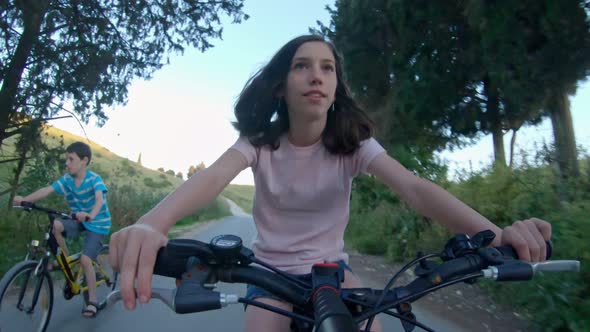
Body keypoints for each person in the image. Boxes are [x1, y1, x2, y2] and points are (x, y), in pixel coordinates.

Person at [109, 35, 551, 332]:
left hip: (332, 273)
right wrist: (152, 223)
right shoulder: (259, 142)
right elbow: (212, 177)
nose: (316, 75)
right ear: (281, 86)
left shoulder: (353, 144)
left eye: (327, 67)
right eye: (302, 66)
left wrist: (493, 235)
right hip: (268, 274)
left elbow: (415, 188)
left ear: (336, 87)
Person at [14, 141, 112, 318]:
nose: (66, 163)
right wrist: (25, 200)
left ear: (84, 160)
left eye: (70, 159)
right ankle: (65, 262)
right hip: (78, 219)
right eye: (66, 159)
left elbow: (99, 200)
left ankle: (93, 301)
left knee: (85, 259)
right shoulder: (67, 180)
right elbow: (47, 190)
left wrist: (90, 215)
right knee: (56, 225)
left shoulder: (94, 179)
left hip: (98, 223)